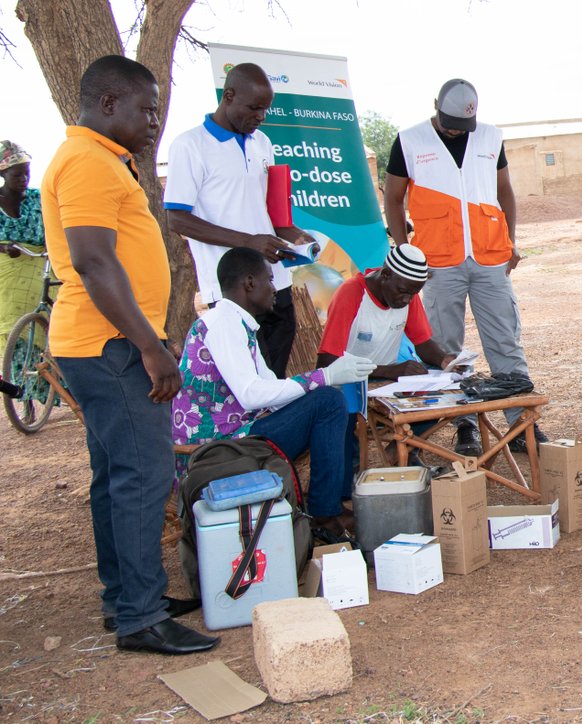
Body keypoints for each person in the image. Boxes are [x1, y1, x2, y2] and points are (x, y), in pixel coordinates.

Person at [42, 55, 217, 655]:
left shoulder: (101, 160)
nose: (153, 123)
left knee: (116, 475)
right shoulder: (88, 162)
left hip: (109, 341)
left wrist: (151, 335)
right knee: (142, 476)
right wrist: (150, 346)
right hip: (108, 345)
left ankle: (126, 599)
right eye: (146, 110)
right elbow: (94, 262)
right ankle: (141, 616)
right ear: (108, 103)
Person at [383, 78, 546, 458]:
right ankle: (464, 426)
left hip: (490, 257)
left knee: (505, 342)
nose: (457, 129)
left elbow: (504, 191)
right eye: (450, 121)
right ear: (435, 105)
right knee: (445, 349)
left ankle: (521, 425)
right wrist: (405, 252)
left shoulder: (490, 137)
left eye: (463, 124)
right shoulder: (409, 140)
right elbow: (393, 198)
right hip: (437, 263)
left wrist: (511, 241)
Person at [172, 247, 376, 536]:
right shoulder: (222, 324)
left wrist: (322, 384)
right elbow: (251, 395)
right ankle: (325, 514)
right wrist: (323, 376)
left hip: (236, 436)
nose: (275, 289)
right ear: (249, 283)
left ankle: (328, 507)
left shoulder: (238, 325)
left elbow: (271, 390)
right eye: (269, 280)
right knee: (329, 400)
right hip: (217, 450)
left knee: (328, 400)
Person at [165, 63, 315, 378]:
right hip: (232, 288)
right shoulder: (190, 145)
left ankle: (272, 428)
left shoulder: (263, 143)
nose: (261, 116)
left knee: (275, 374)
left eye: (266, 109)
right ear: (229, 96)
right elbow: (177, 219)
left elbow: (272, 212)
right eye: (254, 108)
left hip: (275, 281)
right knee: (246, 380)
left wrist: (296, 237)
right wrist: (249, 242)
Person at [317, 243, 457, 469]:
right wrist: (387, 371)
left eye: (413, 294)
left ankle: (405, 450)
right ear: (386, 274)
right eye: (402, 291)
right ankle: (348, 479)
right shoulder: (352, 293)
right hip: (346, 382)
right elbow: (327, 362)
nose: (406, 300)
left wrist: (444, 360)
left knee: (438, 396)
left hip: (386, 380)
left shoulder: (407, 293)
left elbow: (423, 343)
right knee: (342, 412)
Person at [0, 141, 46, 350]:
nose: (24, 180)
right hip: (8, 281)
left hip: (40, 272)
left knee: (44, 334)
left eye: (26, 173)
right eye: (17, 175)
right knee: (12, 338)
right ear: (3, 174)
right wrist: (4, 248)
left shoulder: (38, 199)